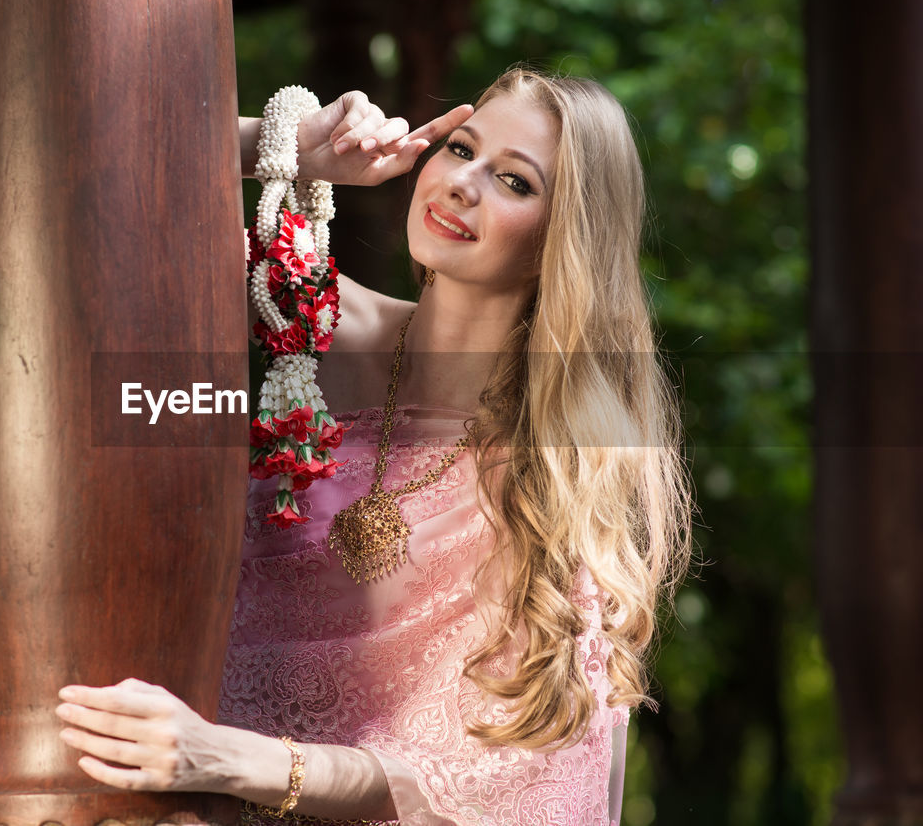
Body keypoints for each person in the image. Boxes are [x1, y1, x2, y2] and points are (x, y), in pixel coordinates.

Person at [55, 67, 692, 826]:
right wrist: (287, 150)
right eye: (461, 148)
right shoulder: (301, 314)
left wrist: (239, 760)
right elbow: (92, 170)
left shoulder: (558, 472)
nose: (462, 183)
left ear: (568, 239)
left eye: (516, 182)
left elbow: (502, 774)